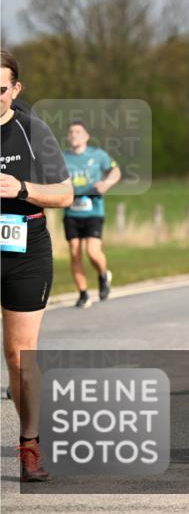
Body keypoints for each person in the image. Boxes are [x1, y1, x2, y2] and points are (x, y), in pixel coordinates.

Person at [1, 49, 74, 482]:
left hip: (25, 250)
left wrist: (22, 186)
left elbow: (65, 194)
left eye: (1, 88)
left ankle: (29, 444)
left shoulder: (33, 130)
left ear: (16, 89)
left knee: (18, 355)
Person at [62, 121, 121, 307]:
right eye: (71, 132)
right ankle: (83, 293)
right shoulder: (62, 158)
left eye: (78, 131)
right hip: (71, 211)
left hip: (93, 211)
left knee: (93, 252)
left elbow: (115, 170)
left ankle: (103, 275)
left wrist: (107, 183)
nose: (74, 134)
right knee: (74, 252)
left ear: (87, 136)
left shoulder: (97, 155)